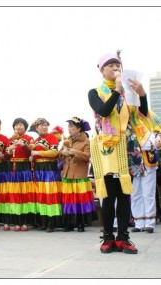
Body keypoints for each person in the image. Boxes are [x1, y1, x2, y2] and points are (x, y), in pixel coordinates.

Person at [88, 52, 148, 254]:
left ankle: (123, 237)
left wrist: (141, 94)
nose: (115, 68)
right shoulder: (95, 91)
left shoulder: (128, 92)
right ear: (102, 70)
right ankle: (108, 237)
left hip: (128, 145)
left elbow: (142, 115)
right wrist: (117, 91)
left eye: (117, 65)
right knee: (110, 194)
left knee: (124, 194)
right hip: (108, 147)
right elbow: (103, 111)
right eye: (110, 65)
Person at [59, 117, 97, 232]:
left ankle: (81, 223)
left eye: (72, 126)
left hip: (79, 175)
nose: (69, 129)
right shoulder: (67, 140)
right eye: (68, 127)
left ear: (79, 128)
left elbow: (87, 156)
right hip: (67, 174)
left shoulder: (86, 141)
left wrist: (74, 152)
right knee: (68, 200)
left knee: (80, 200)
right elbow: (60, 154)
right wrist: (62, 152)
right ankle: (69, 224)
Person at [30, 118, 62, 232]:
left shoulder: (51, 137)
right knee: (41, 195)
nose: (44, 127)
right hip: (39, 169)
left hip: (49, 168)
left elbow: (54, 152)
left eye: (46, 125)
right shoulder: (36, 139)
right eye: (42, 125)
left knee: (50, 194)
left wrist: (37, 153)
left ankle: (52, 222)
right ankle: (43, 221)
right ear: (36, 128)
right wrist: (32, 157)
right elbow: (34, 153)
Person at [130, 119, 161, 234]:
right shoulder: (127, 127)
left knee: (148, 193)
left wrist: (140, 144)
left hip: (148, 163)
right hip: (135, 164)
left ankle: (149, 223)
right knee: (136, 193)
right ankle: (139, 222)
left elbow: (152, 145)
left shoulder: (145, 125)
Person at [6, 118, 35, 231]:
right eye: (16, 125)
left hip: (24, 168)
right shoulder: (10, 140)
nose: (18, 127)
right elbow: (6, 157)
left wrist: (23, 145)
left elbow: (30, 154)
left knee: (24, 194)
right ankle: (17, 222)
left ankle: (25, 222)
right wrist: (8, 151)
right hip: (13, 168)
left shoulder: (29, 139)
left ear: (25, 127)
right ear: (13, 127)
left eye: (21, 125)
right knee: (14, 195)